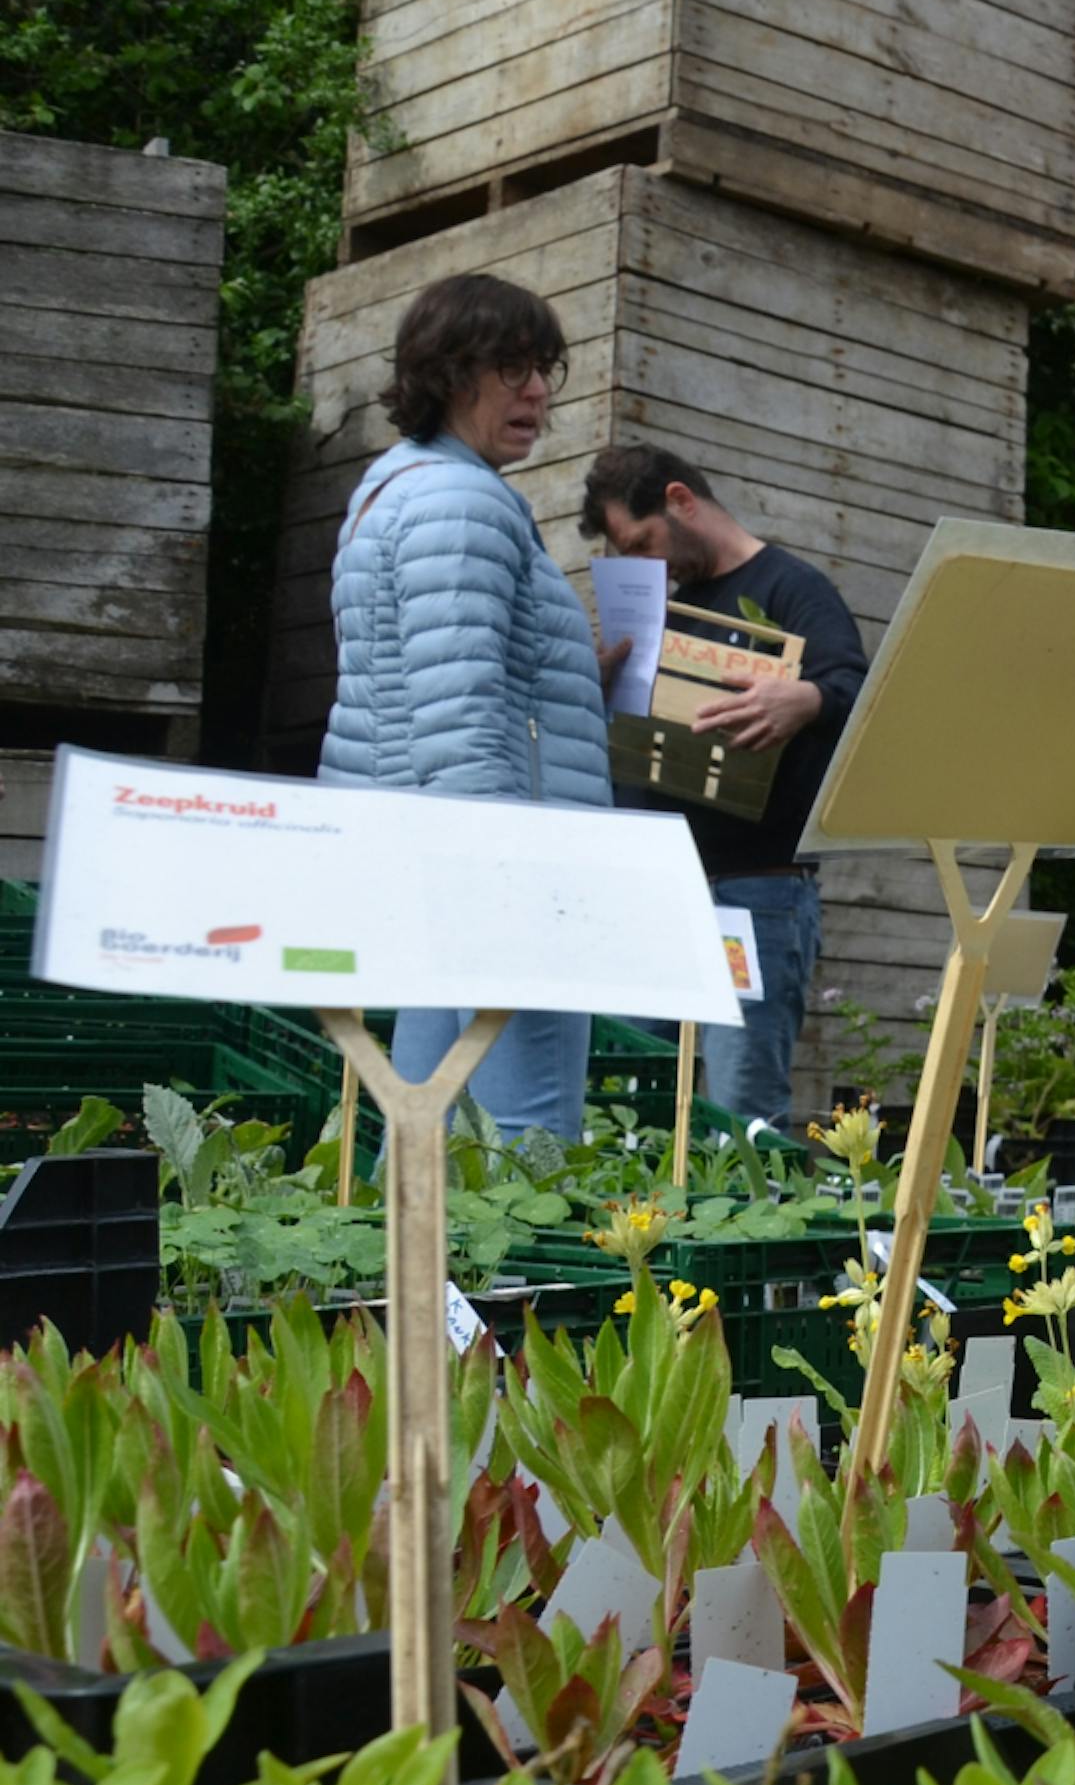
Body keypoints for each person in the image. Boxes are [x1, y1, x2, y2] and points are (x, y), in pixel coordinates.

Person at [317, 273, 611, 1138]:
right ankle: (516, 1281)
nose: (537, 390)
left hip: (430, 856)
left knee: (430, 1127)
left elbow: (434, 677)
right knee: (527, 1143)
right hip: (488, 860)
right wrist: (506, 879)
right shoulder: (462, 500)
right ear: (448, 374)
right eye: (512, 367)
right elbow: (457, 706)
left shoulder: (396, 486)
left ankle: (409, 1273)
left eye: (544, 368)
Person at [574, 446, 870, 1130]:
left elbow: (862, 696)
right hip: (657, 889)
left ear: (681, 499)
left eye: (644, 543)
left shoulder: (793, 587)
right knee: (624, 1108)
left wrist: (807, 700)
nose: (649, 566)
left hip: (755, 892)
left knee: (743, 1111)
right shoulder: (666, 614)